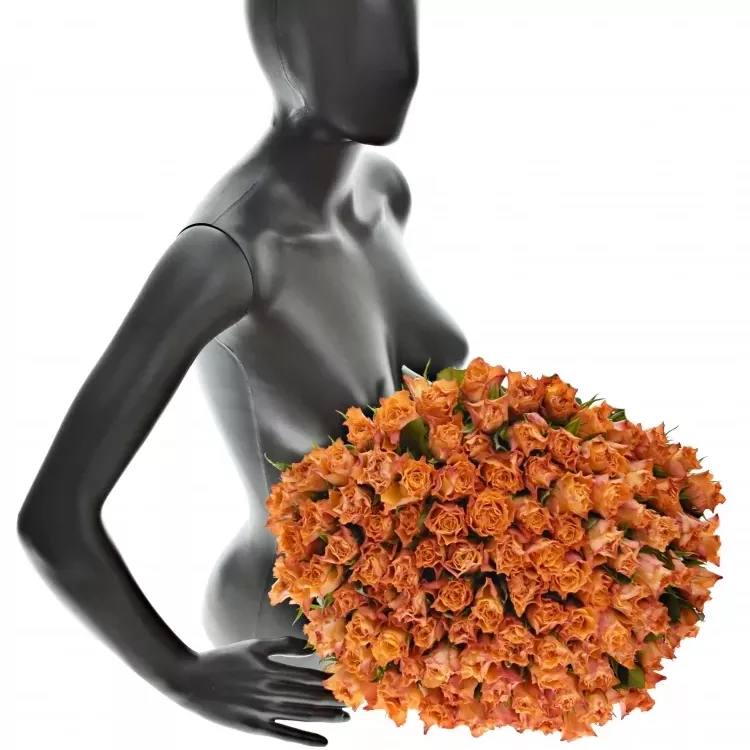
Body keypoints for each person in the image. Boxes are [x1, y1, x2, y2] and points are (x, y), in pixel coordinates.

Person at [17, 0, 468, 746]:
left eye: (401, 18)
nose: (393, 61)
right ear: (280, 34)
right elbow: (53, 516)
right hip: (288, 634)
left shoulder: (382, 192)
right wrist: (178, 674)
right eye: (346, 25)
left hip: (421, 614)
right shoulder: (228, 251)